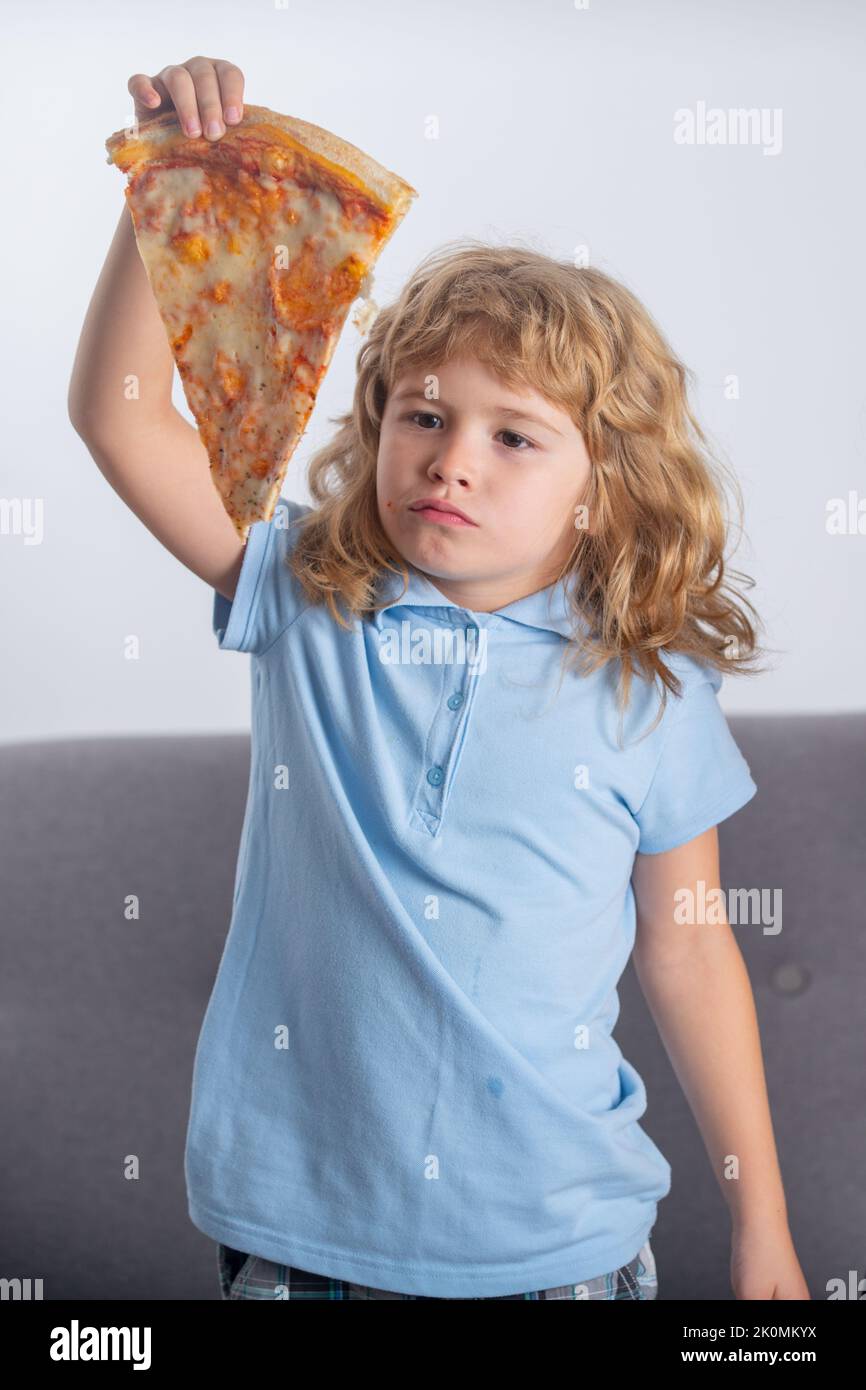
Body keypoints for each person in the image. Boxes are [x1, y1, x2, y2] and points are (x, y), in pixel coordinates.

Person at [69, 56, 810, 1302]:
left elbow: (687, 956)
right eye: (422, 415)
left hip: (561, 1249)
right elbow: (121, 418)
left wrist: (763, 1229)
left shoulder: (651, 684)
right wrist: (171, 185)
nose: (450, 461)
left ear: (602, 488)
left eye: (512, 436)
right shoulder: (308, 590)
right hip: (299, 1240)